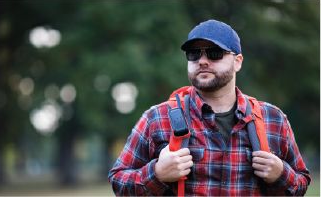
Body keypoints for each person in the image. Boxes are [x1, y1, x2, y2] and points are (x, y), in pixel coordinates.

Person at [108, 19, 311, 196]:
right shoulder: (157, 118)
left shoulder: (273, 119)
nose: (202, 61)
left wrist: (281, 174)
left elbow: (301, 183)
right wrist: (157, 174)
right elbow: (118, 182)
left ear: (238, 61)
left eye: (215, 53)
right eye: (194, 54)